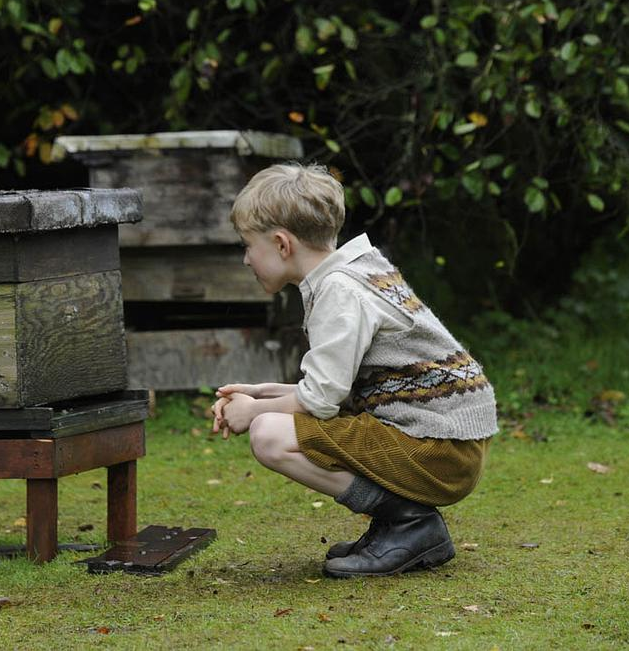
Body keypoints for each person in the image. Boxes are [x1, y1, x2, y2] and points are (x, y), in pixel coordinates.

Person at [212, 162, 498, 578]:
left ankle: (409, 523)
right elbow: (336, 388)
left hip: (439, 451)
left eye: (247, 246)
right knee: (273, 421)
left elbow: (321, 401)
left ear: (281, 243)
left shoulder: (339, 291)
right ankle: (400, 524)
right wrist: (262, 394)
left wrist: (253, 411)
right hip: (445, 441)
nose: (245, 259)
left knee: (269, 435)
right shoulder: (356, 271)